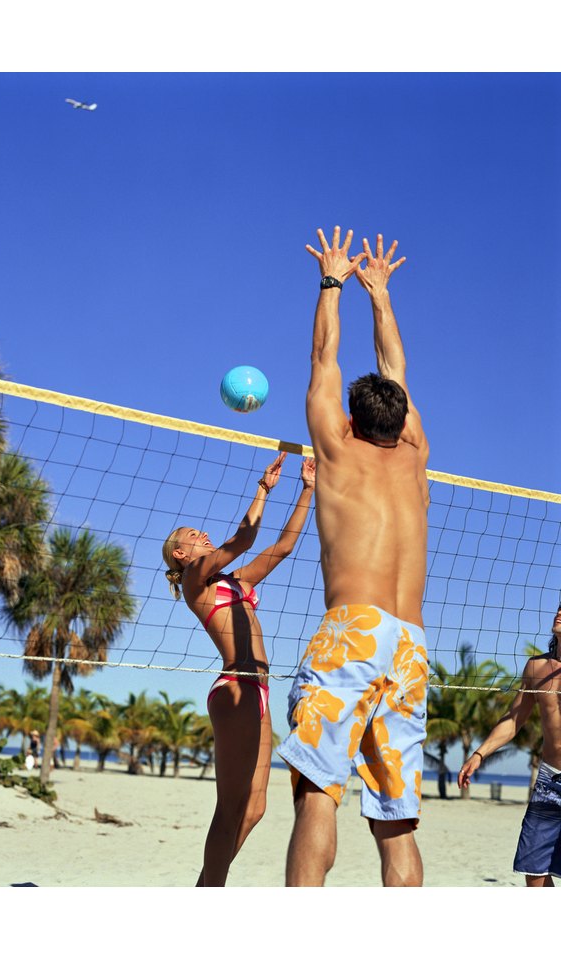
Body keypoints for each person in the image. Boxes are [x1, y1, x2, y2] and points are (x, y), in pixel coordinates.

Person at [277, 226, 430, 887]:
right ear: (403, 423)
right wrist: (383, 294)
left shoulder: (336, 447)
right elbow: (395, 370)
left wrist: (332, 282)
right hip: (410, 645)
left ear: (351, 418)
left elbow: (323, 360)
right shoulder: (418, 455)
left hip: (354, 631)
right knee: (396, 824)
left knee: (318, 792)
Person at [162, 452, 316, 886]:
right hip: (235, 688)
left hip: (260, 692)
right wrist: (263, 491)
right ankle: (210, 894)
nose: (203, 534)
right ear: (180, 553)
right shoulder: (196, 581)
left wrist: (307, 489)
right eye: (195, 534)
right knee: (229, 809)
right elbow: (241, 540)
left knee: (255, 808)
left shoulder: (237, 583)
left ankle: (205, 886)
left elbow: (282, 547)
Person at [458, 602, 561, 886]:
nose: (559, 612)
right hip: (550, 779)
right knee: (535, 871)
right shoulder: (537, 667)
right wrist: (480, 753)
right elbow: (514, 720)